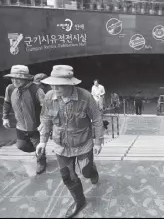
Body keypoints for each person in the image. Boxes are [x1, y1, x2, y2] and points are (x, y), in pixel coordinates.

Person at [35, 65, 104, 218]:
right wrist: (42, 141)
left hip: (83, 143)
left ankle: (91, 169)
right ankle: (80, 201)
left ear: (70, 83)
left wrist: (98, 142)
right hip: (61, 145)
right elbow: (45, 118)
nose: (54, 87)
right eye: (53, 83)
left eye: (59, 84)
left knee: (86, 173)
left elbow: (97, 119)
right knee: (67, 176)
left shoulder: (85, 96)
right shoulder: (49, 97)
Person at [2, 65, 46, 174]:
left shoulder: (37, 90)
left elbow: (47, 107)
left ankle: (41, 160)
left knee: (38, 147)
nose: (14, 80)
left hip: (36, 126)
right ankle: (38, 150)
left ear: (26, 78)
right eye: (12, 78)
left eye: (18, 78)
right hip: (20, 126)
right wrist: (5, 117)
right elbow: (7, 102)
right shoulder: (10, 88)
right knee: (21, 146)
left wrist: (44, 122)